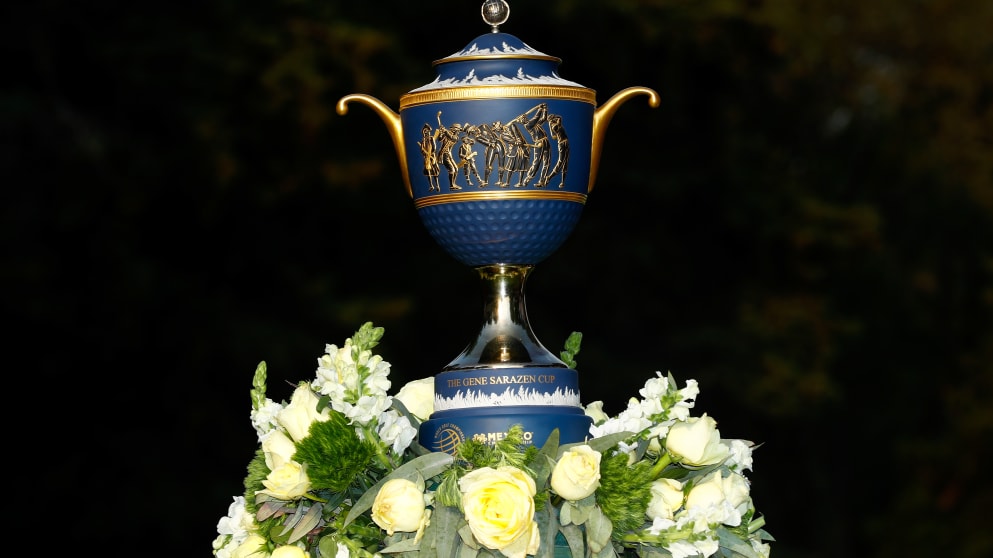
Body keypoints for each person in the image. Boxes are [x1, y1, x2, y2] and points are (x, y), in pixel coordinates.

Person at [546, 113, 570, 188]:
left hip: (565, 143)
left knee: (565, 162)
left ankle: (562, 182)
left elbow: (559, 119)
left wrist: (552, 118)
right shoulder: (554, 126)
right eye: (552, 118)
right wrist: (554, 117)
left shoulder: (554, 125)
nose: (554, 119)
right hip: (562, 145)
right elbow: (560, 118)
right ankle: (549, 177)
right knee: (560, 162)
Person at [418, 123, 441, 192]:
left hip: (432, 157)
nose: (426, 133)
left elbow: (434, 148)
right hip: (426, 159)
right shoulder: (423, 141)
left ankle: (437, 185)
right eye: (425, 132)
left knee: (434, 172)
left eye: (427, 131)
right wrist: (425, 154)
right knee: (428, 172)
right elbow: (422, 149)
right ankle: (431, 185)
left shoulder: (431, 139)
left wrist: (430, 154)